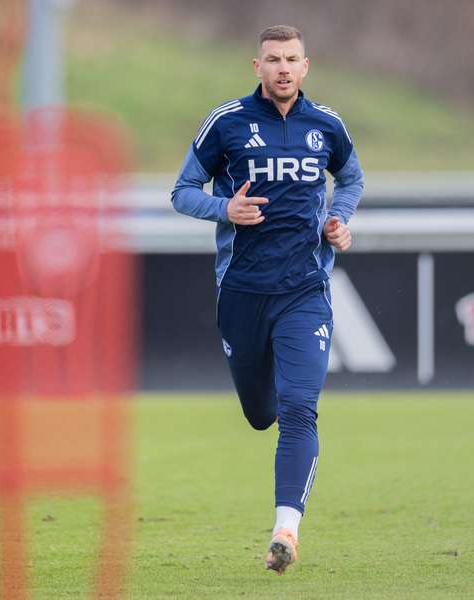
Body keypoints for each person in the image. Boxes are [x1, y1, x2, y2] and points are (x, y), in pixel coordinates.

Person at [170, 24, 364, 574]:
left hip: (304, 291)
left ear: (306, 66)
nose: (283, 67)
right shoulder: (227, 123)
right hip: (242, 294)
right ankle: (270, 400)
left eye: (293, 59)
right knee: (261, 415)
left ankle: (286, 530)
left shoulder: (326, 125)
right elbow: (183, 191)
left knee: (301, 410)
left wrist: (339, 221)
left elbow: (350, 180)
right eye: (273, 58)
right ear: (257, 66)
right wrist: (223, 209)